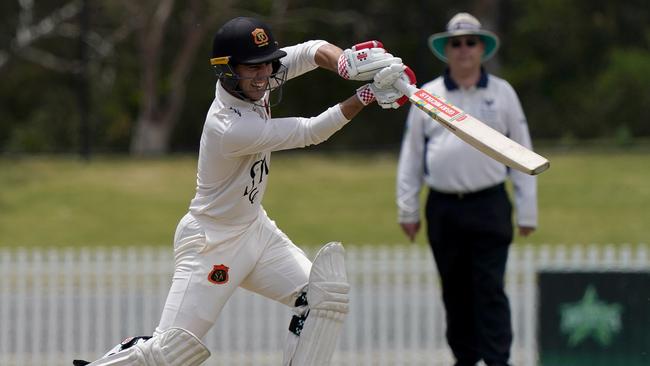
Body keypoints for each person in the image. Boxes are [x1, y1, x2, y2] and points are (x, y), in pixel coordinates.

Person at [74, 16, 414, 366]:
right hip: (211, 242)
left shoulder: (256, 80)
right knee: (168, 352)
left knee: (324, 299)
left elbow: (313, 51)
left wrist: (344, 62)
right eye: (252, 68)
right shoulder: (229, 126)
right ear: (226, 70)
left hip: (256, 232)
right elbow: (311, 131)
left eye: (267, 63)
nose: (263, 74)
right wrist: (366, 94)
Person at [396, 12, 538, 366]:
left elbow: (521, 152)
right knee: (455, 292)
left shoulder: (502, 93)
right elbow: (412, 156)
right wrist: (408, 210)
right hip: (444, 208)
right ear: (447, 50)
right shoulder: (429, 94)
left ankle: (497, 361)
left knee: (489, 289)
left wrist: (528, 210)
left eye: (470, 43)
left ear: (481, 48)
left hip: (489, 203)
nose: (463, 50)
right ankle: (465, 359)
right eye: (456, 44)